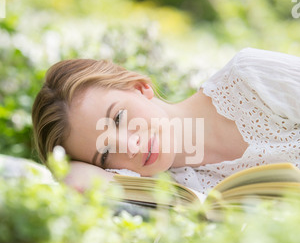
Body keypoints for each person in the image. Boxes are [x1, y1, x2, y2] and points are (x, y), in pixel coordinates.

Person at [32, 47, 300, 195]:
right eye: (105, 154)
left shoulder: (250, 79)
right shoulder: (173, 191)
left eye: (118, 118)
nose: (131, 146)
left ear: (139, 87)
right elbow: (79, 184)